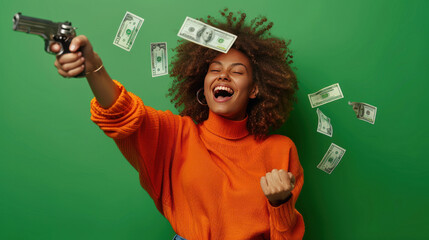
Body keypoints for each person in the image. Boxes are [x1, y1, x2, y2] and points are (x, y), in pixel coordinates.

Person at [51, 8, 304, 240]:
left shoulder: (281, 150)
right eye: (214, 70)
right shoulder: (177, 134)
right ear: (202, 85)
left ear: (255, 89)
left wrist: (280, 204)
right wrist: (94, 67)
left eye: (237, 72)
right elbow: (122, 111)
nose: (223, 75)